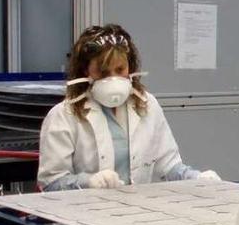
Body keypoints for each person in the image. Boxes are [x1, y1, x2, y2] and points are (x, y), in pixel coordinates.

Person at [38, 24, 221, 191]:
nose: (113, 78)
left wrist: (196, 178)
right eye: (103, 72)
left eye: (120, 70)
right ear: (86, 71)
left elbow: (168, 165)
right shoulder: (64, 115)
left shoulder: (147, 105)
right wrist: (88, 182)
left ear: (130, 67)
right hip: (84, 217)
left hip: (135, 215)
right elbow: (51, 183)